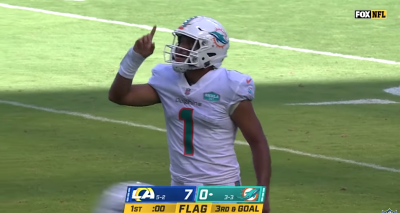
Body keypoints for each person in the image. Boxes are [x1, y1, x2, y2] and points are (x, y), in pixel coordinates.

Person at [108, 16, 271, 213]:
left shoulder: (229, 86)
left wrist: (262, 194)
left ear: (210, 49)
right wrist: (134, 57)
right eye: (180, 41)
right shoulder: (167, 79)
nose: (180, 48)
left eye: (189, 43)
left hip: (220, 189)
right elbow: (120, 96)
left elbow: (257, 141)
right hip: (180, 187)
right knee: (118, 201)